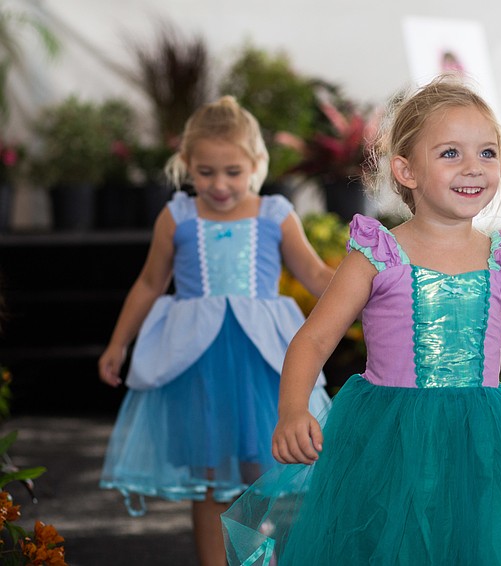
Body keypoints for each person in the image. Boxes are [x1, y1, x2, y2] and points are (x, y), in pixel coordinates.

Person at [221, 75, 501, 565]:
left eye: (488, 153)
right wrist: (292, 410)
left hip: (484, 442)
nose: (473, 167)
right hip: (390, 440)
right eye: (450, 153)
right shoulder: (379, 253)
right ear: (406, 170)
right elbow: (314, 338)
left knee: (478, 546)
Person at [97, 95, 334, 566]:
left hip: (259, 366)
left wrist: (374, 284)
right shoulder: (177, 217)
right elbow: (149, 283)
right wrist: (117, 343)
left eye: (233, 172)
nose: (220, 185)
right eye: (205, 172)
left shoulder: (274, 214)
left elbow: (318, 276)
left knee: (259, 475)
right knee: (207, 481)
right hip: (197, 367)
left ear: (255, 164)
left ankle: (253, 558)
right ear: (186, 164)